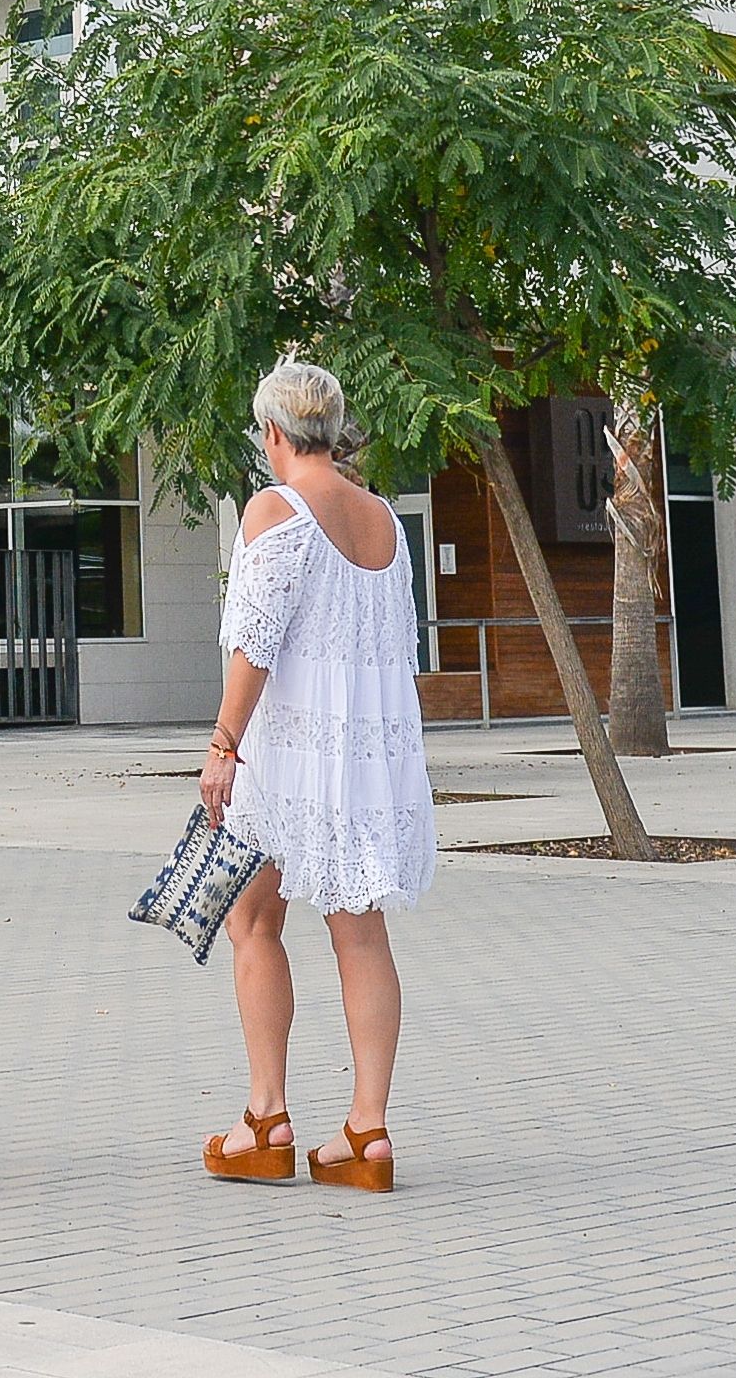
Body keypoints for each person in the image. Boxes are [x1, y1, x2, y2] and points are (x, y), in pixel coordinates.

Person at [196, 357, 434, 1194]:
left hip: (286, 756)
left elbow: (254, 643)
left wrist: (223, 746)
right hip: (365, 757)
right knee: (361, 933)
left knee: (252, 923)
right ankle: (367, 1132)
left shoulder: (275, 509)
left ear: (273, 432)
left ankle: (267, 1117)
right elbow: (394, 645)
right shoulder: (384, 522)